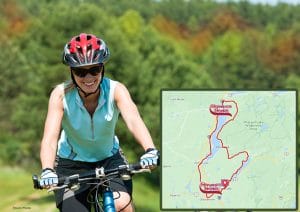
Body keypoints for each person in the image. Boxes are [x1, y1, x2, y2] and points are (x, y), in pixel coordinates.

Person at [39, 33, 159, 212]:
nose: (88, 78)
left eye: (94, 69)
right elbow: (50, 138)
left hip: (110, 160)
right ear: (71, 71)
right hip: (71, 165)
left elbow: (134, 120)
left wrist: (149, 150)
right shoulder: (60, 95)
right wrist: (47, 169)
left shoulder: (116, 90)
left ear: (102, 68)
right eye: (80, 71)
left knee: (122, 206)